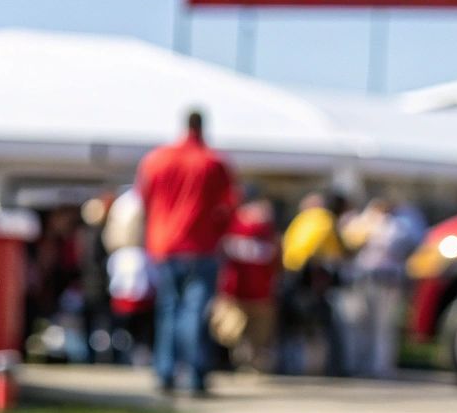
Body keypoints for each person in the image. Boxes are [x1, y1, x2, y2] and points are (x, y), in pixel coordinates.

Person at [135, 109, 235, 396]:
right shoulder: (213, 162)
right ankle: (196, 373)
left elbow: (144, 200)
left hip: (165, 245)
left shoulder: (157, 159)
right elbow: (228, 206)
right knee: (193, 311)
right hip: (201, 247)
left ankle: (165, 372)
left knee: (169, 309)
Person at [341, 198, 424, 378]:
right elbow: (350, 240)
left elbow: (398, 246)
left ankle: (380, 366)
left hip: (386, 281)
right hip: (364, 279)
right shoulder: (362, 223)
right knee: (361, 324)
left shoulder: (397, 226)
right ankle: (360, 364)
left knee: (383, 326)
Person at [278, 191, 348, 375]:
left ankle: (293, 364)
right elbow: (336, 253)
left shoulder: (301, 219)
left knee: (291, 327)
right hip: (309, 279)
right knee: (321, 325)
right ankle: (330, 367)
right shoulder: (325, 219)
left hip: (291, 274)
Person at [218, 192, 280, 372]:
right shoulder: (235, 222)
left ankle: (249, 362)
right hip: (238, 291)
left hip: (259, 291)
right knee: (230, 331)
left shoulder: (267, 228)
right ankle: (240, 360)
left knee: (257, 334)